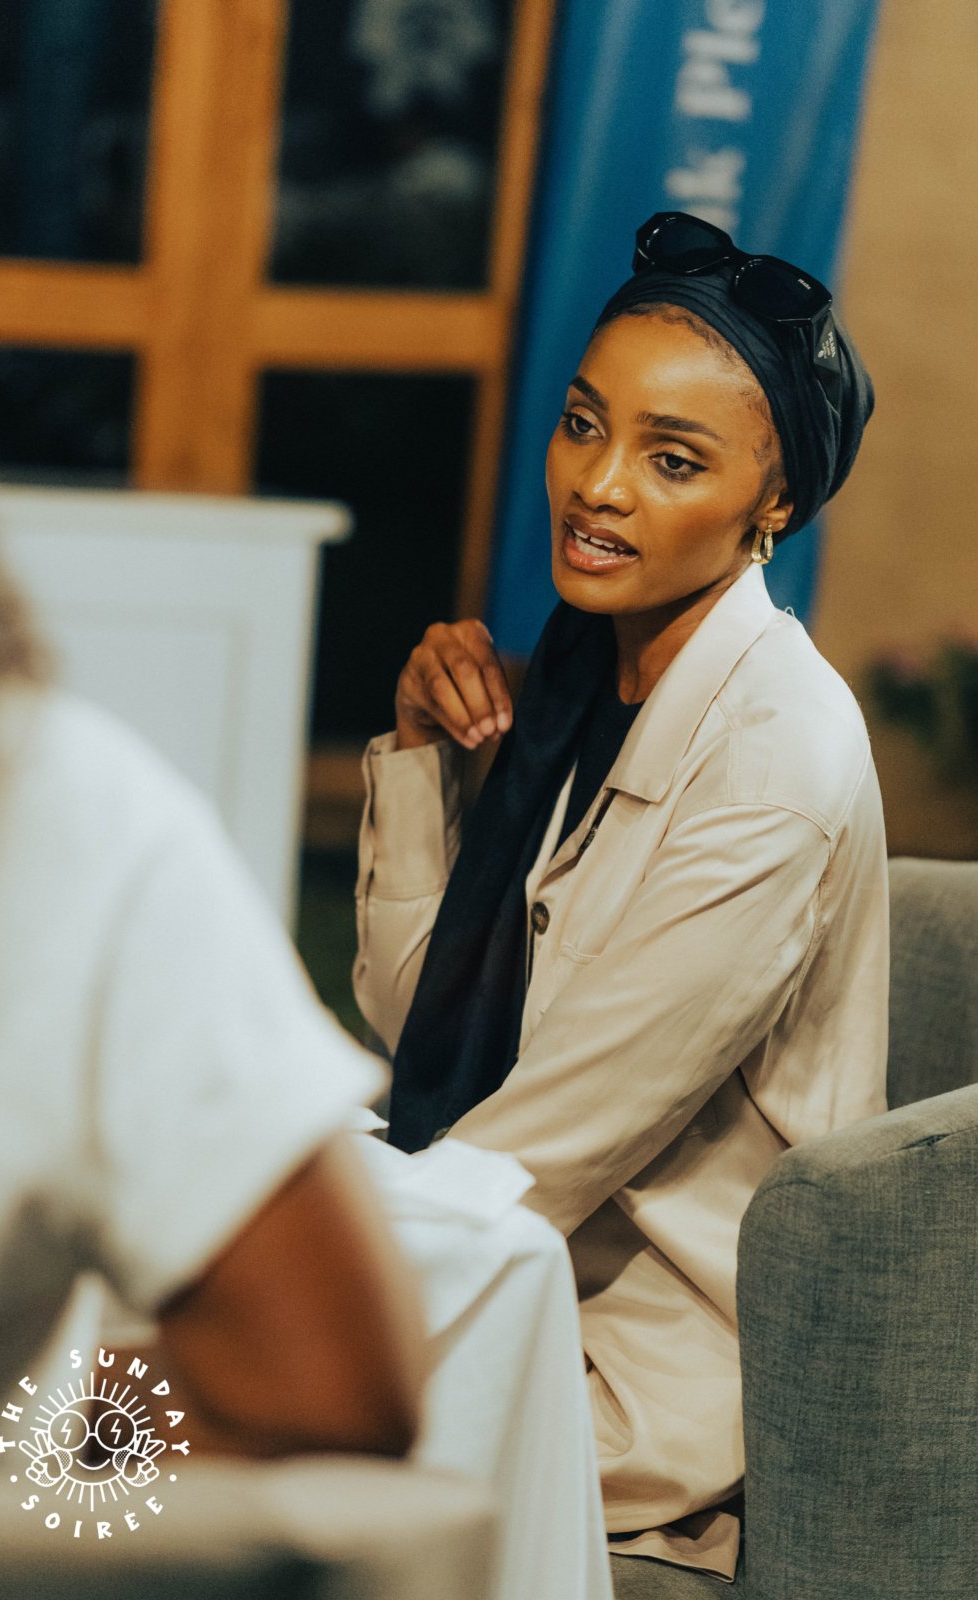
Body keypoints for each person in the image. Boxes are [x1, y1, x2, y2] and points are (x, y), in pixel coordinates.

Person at [354, 211, 888, 1580]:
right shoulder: (581, 684)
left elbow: (532, 1155)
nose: (595, 487)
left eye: (671, 459)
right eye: (583, 425)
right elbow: (426, 1028)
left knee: (140, 1424)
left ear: (774, 506)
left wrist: (281, 1265)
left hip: (629, 1375)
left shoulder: (772, 757)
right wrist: (419, 761)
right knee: (101, 1391)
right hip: (517, 1269)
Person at [0, 401, 423, 1467]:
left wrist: (36, 1464)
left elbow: (326, 1390)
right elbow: (319, 1391)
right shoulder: (64, 810)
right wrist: (39, 1459)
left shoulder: (51, 820)